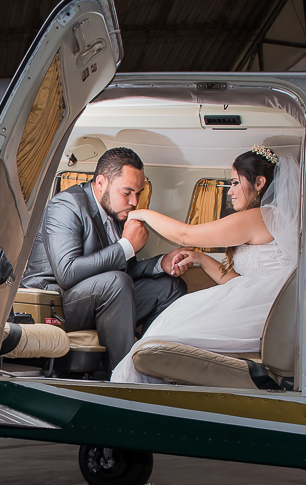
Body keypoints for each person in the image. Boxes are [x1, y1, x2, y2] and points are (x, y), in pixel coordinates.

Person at [111, 146, 300, 384]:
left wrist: (141, 214)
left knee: (170, 328)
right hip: (260, 304)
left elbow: (186, 235)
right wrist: (200, 258)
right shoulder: (270, 219)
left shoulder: (261, 217)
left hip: (265, 311)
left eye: (235, 182)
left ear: (260, 183)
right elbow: (242, 283)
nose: (230, 191)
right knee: (173, 321)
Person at [21, 147, 188, 371]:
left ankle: (150, 366)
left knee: (170, 287)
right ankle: (122, 376)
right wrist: (127, 245)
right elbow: (67, 273)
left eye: (138, 193)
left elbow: (125, 269)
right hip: (53, 303)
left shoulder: (116, 212)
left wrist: (161, 263)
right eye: (127, 192)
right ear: (101, 182)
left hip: (101, 297)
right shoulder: (66, 205)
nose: (134, 201)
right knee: (116, 283)